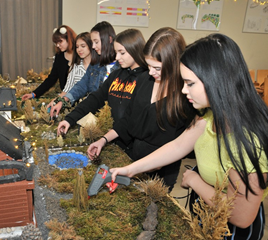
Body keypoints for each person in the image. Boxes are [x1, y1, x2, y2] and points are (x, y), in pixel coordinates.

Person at [110, 33, 268, 239]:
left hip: (231, 230)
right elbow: (178, 146)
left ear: (215, 80)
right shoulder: (209, 114)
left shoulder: (248, 141)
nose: (184, 90)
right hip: (204, 210)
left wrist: (195, 181)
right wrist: (130, 169)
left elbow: (241, 214)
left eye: (190, 83)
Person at [87, 27, 195, 191]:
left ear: (174, 64)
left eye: (157, 68)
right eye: (149, 66)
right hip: (134, 157)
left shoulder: (186, 95)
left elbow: (180, 143)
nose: (151, 72)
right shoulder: (145, 79)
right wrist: (103, 140)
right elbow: (128, 119)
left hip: (162, 170)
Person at [56, 28, 149, 153]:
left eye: (122, 53)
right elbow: (95, 99)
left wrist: (105, 139)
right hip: (113, 141)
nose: (117, 57)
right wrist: (69, 119)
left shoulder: (147, 79)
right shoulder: (115, 75)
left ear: (134, 49)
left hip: (134, 147)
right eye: (116, 52)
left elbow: (131, 118)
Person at [49, 21, 119, 117]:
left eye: (96, 42)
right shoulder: (95, 65)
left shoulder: (121, 68)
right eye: (92, 42)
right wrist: (63, 100)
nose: (93, 46)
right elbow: (81, 86)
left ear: (109, 39)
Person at [21, 25, 76, 100]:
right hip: (65, 97)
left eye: (60, 41)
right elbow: (51, 79)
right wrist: (34, 94)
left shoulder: (80, 55)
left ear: (69, 39)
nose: (57, 45)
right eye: (56, 43)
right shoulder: (59, 56)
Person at [46, 32, 94, 110]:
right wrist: (55, 101)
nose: (79, 49)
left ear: (91, 46)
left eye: (83, 46)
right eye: (77, 47)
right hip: (80, 109)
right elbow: (66, 90)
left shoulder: (99, 67)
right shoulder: (75, 67)